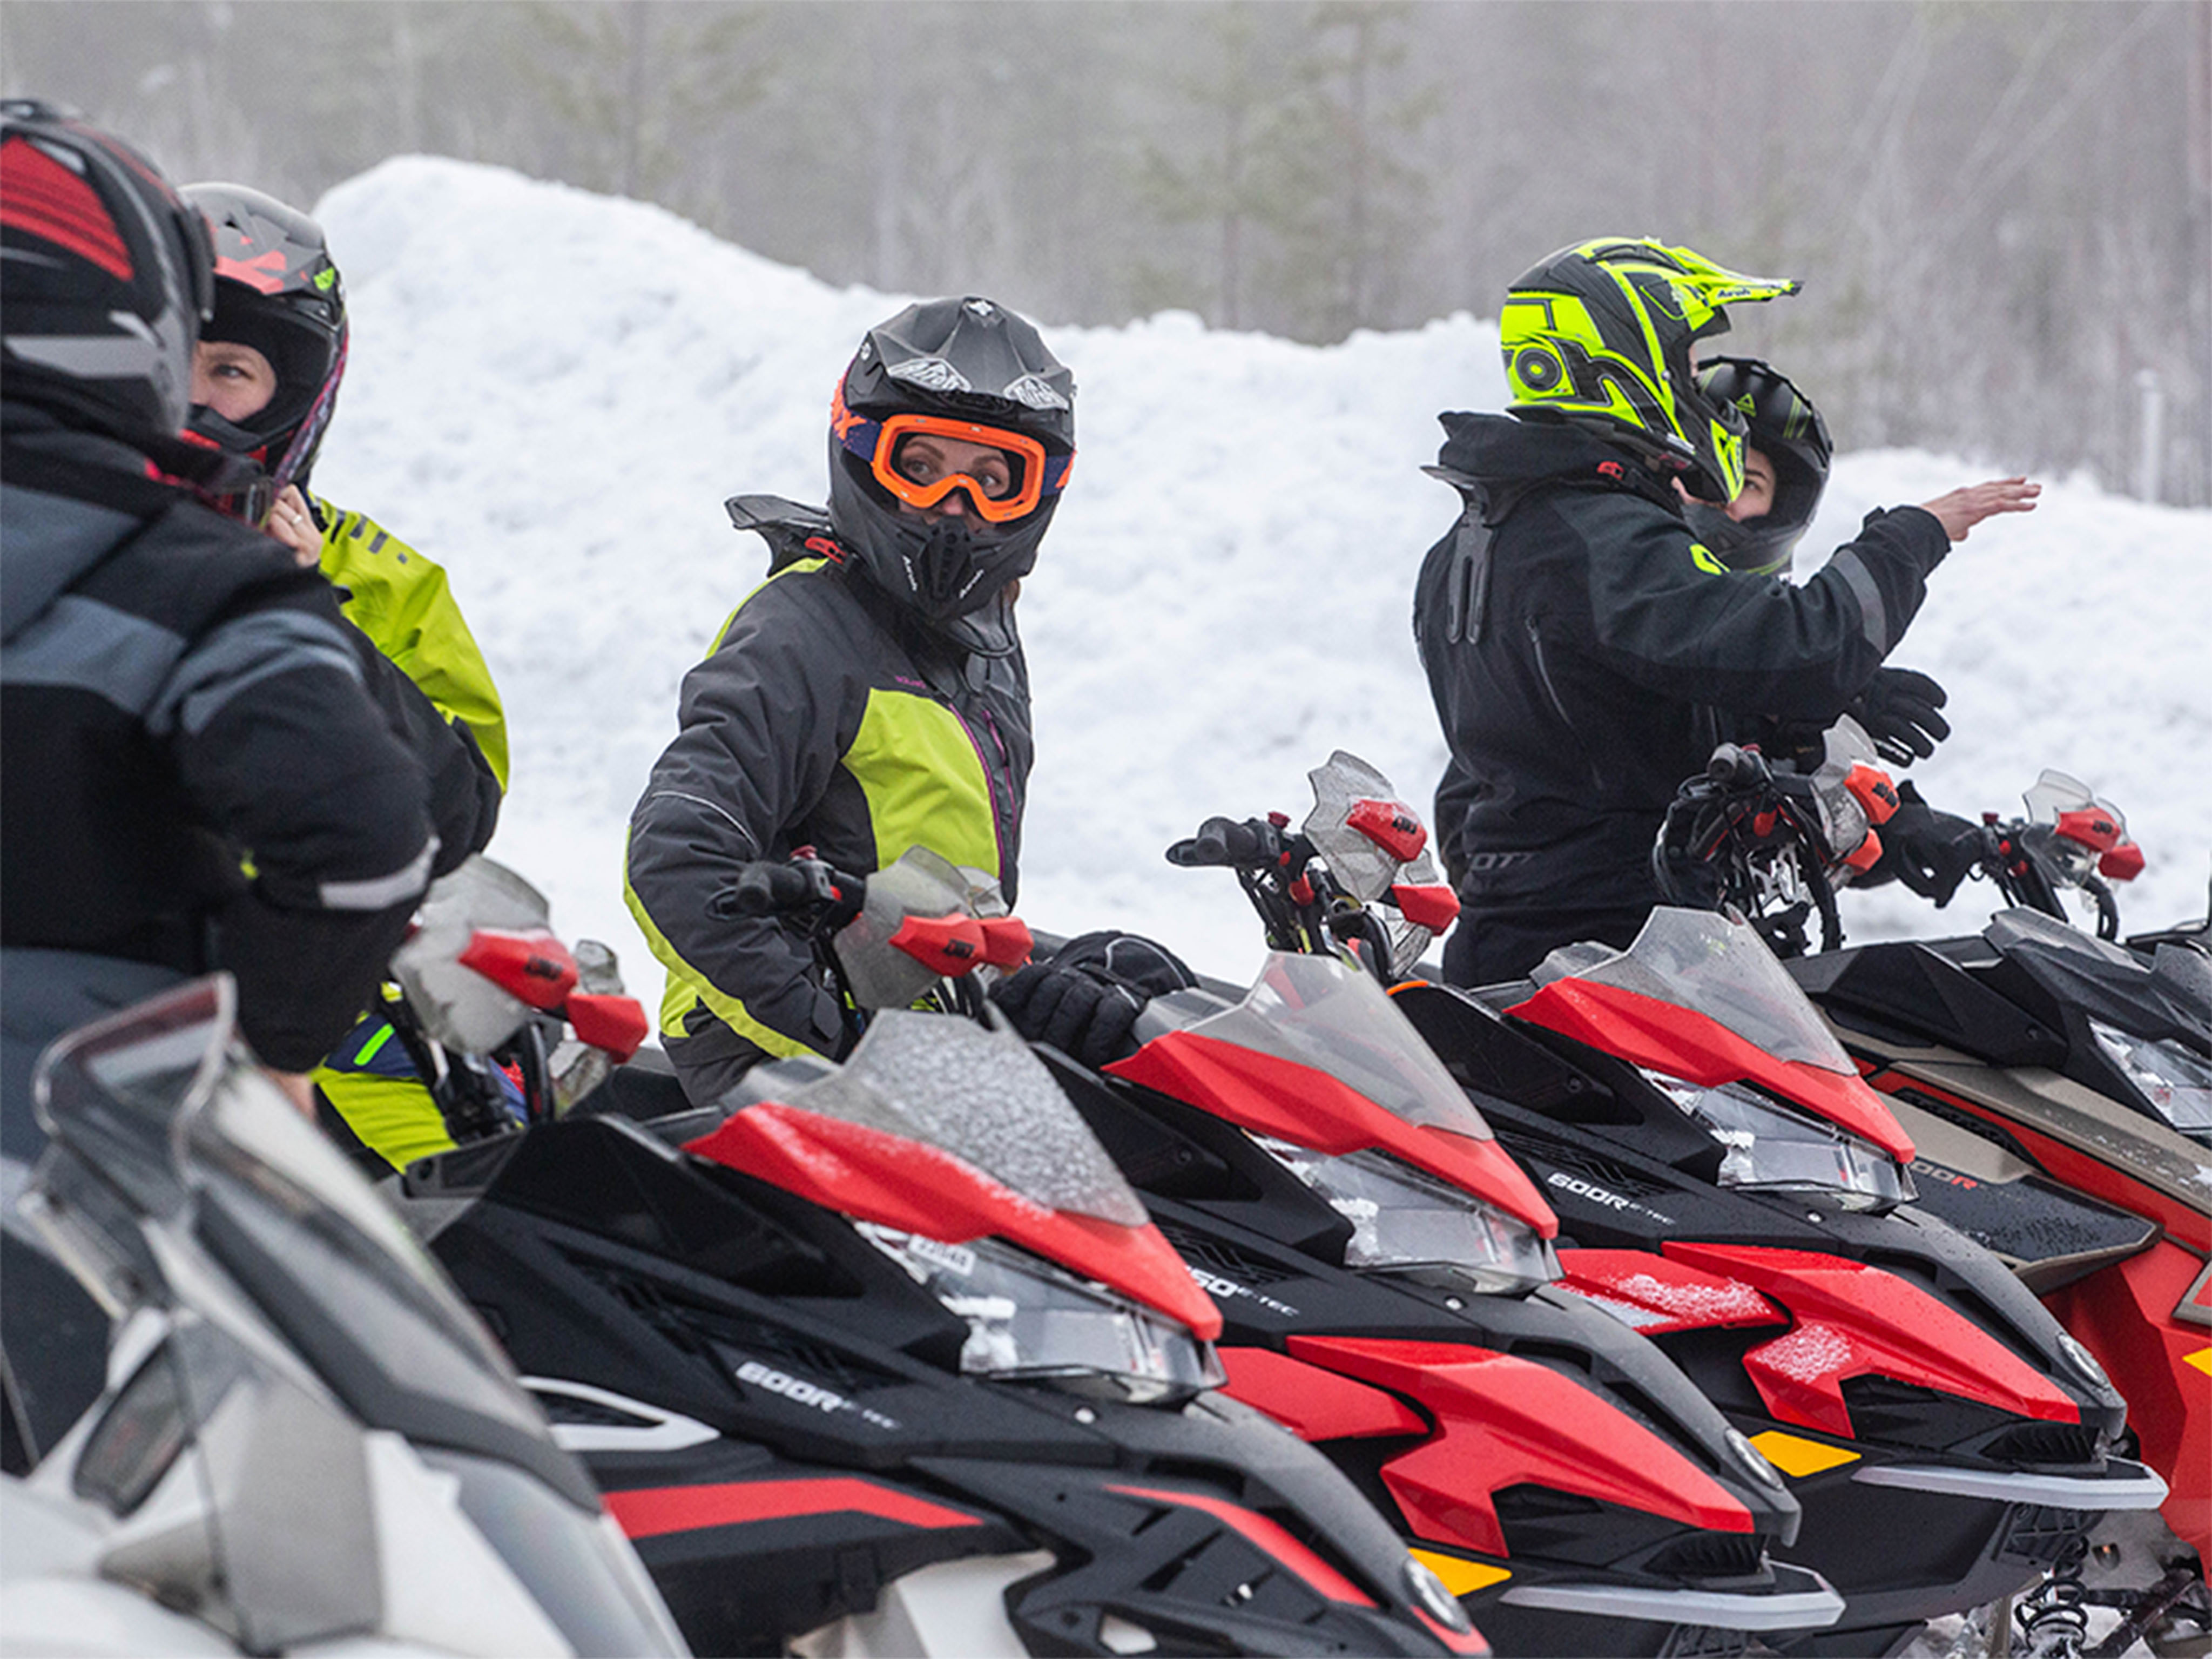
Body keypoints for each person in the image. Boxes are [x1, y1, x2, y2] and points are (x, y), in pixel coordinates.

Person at [1, 99, 439, 1465]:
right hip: (106, 1183)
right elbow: (367, 834)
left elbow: (460, 784)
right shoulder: (197, 588)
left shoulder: (370, 573)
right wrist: (274, 1055)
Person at [1413, 238, 2039, 987]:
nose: (1694, 391)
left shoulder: (1477, 542)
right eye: (1681, 367)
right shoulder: (1600, 536)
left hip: (1523, 951)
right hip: (1622, 960)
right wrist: (1913, 534)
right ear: (1623, 362)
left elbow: (1600, 723)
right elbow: (1806, 652)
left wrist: (1828, 727)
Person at [625, 295, 1071, 1105]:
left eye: (992, 481)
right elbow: (676, 855)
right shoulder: (804, 629)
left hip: (921, 1049)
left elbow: (935, 887)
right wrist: (834, 1029)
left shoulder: (985, 650)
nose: (953, 509)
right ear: (863, 457)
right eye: (922, 467)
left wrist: (1063, 971)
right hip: (775, 1061)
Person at [178, 181, 509, 1170]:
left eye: (231, 370)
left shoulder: (376, 577)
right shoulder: (59, 546)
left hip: (341, 1053)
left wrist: (311, 610)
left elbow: (464, 807)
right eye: (175, 362)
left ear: (299, 396)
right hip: (100, 1026)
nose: (197, 398)